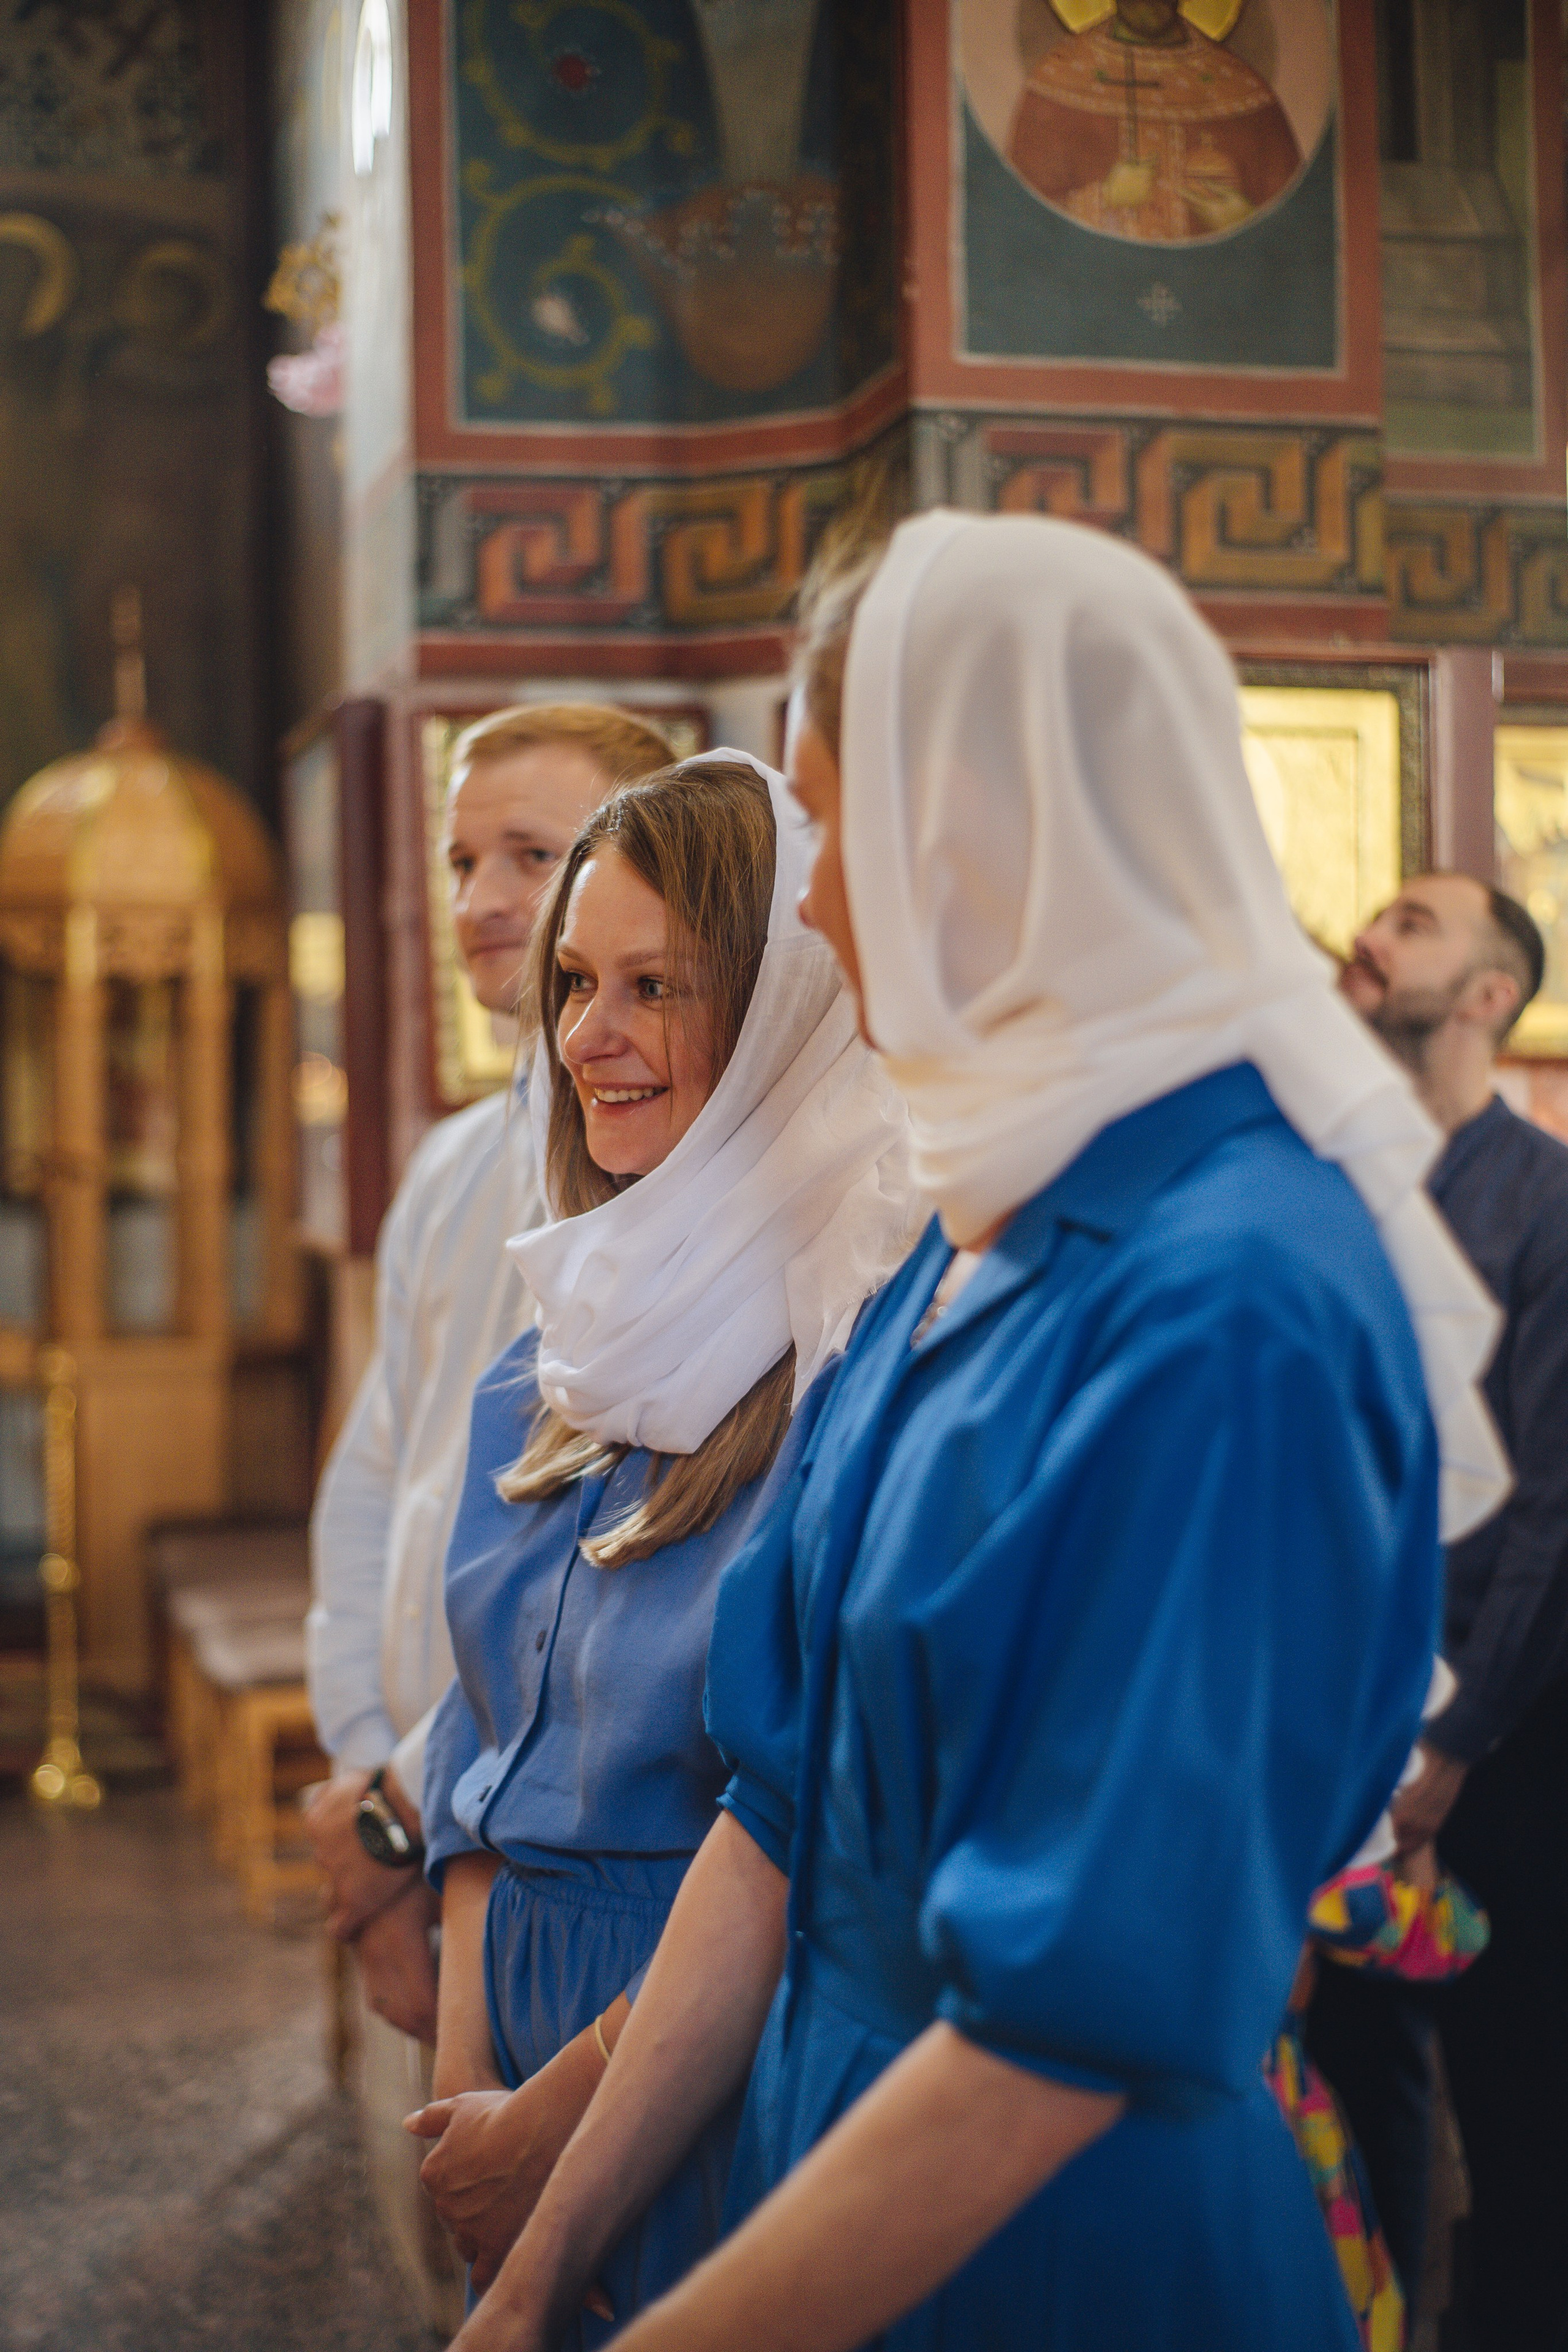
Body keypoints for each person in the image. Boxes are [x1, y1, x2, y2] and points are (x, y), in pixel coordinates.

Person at [443, 512, 1509, 2352]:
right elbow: (777, 1810)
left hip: (1061, 2249)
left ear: (985, 830)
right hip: (822, 2173)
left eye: (838, 826)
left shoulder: (1234, 1295)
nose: (826, 905)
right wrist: (542, 2272)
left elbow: (1068, 2022)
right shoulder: (960, 1237)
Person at [401, 753, 916, 2337]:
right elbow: (483, 1768)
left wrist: (554, 2137)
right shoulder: (540, 1371)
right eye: (573, 983)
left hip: (706, 2073)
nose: (587, 1038)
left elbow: (813, 1842)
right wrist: (462, 2100)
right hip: (502, 2045)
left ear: (777, 1018)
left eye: (653, 987)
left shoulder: (852, 1364)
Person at [303, 702, 674, 2323]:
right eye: (462, 859)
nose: (476, 900)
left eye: (534, 853)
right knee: (446, 2254)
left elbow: (570, 1587)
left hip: (528, 1836)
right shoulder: (458, 1162)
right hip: (416, 1813)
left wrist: (402, 1824)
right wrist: (353, 1775)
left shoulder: (656, 1160)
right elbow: (380, 1484)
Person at [1328, 872, 1568, 2351]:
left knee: (1514, 2091)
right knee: (1346, 2099)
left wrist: (1457, 1741)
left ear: (1487, 995)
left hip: (1503, 1742)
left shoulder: (1539, 1198)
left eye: (1412, 920)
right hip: (1330, 1721)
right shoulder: (1325, 1178)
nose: (1370, 930)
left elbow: (1546, 1504)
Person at [1008, 0, 1302, 241]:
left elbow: (1302, 240)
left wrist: (1247, 222)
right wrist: (1104, 198)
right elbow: (1014, 232)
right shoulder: (1058, 80)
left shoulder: (1241, 88)